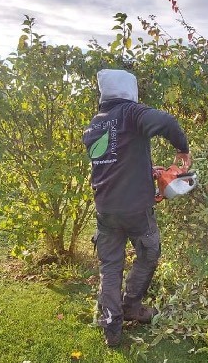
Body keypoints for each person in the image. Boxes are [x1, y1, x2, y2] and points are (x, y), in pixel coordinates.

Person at [82, 69, 191, 347]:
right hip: (135, 210)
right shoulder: (130, 113)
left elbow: (115, 162)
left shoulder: (94, 126)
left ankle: (111, 323)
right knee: (149, 252)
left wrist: (147, 170)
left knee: (110, 266)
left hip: (105, 209)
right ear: (129, 91)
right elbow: (165, 121)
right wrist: (182, 149)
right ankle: (131, 306)